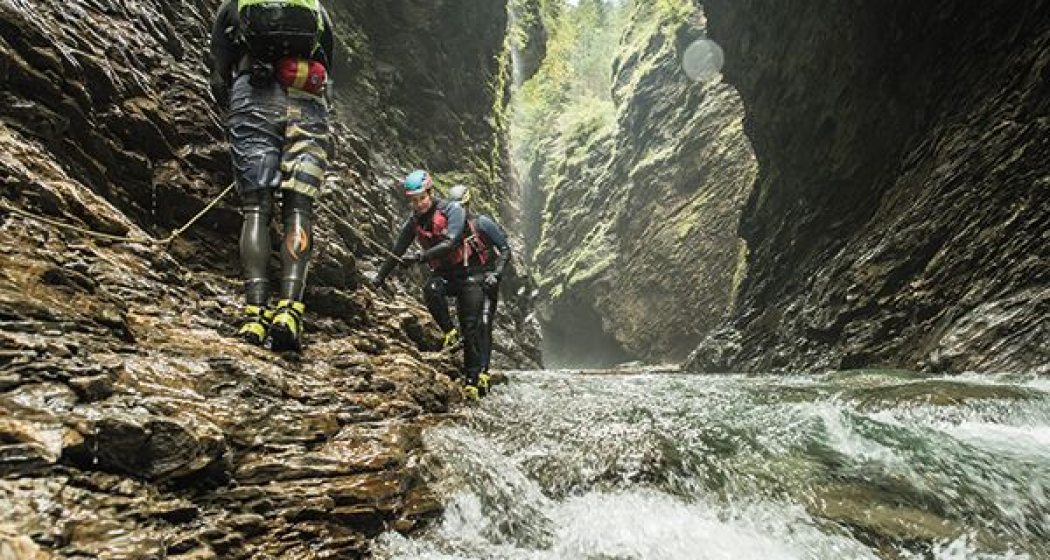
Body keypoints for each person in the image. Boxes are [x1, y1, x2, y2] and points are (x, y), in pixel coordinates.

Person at [208, 0, 334, 352]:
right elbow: (329, 74)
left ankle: (255, 314)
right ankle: (290, 311)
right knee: (299, 208)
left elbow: (220, 71)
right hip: (308, 100)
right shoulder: (317, 9)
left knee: (256, 209)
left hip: (254, 93)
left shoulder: (235, 5)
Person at [371, 171, 488, 400]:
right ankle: (449, 333)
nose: (418, 204)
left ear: (431, 193)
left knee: (470, 327)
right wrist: (378, 279)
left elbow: (452, 240)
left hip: (469, 274)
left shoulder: (452, 210)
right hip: (444, 275)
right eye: (413, 200)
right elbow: (397, 251)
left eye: (422, 198)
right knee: (431, 289)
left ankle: (473, 380)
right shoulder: (414, 221)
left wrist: (421, 257)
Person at [447, 184, 512, 390]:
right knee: (469, 328)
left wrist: (497, 274)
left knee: (483, 324)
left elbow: (504, 250)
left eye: (462, 207)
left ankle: (483, 372)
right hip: (465, 283)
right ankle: (471, 375)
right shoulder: (450, 231)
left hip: (486, 280)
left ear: (467, 205)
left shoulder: (482, 223)